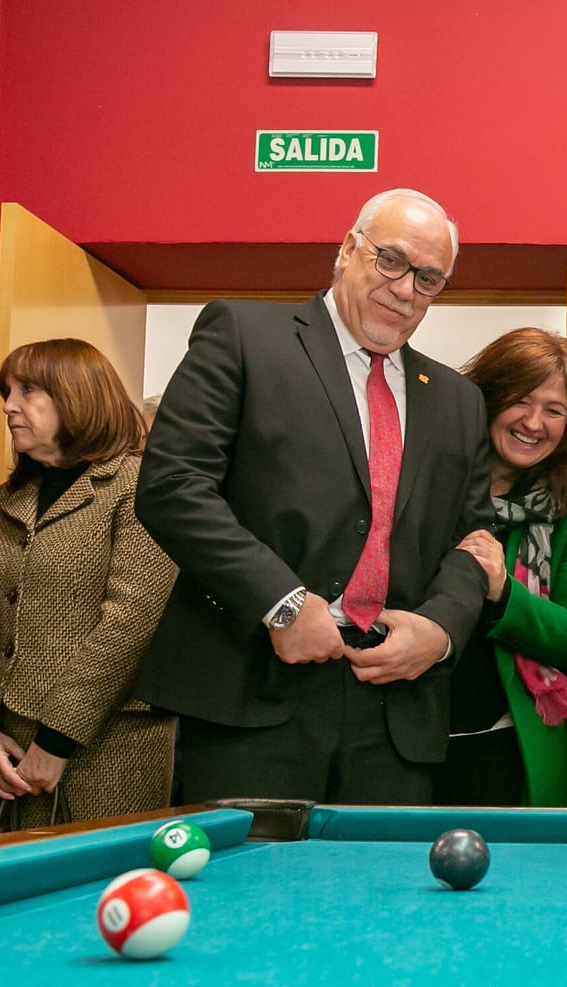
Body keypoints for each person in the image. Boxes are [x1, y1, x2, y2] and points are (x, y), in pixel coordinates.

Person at [134, 188, 494, 804]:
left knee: (386, 900)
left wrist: (439, 630)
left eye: (429, 278)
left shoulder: (459, 398)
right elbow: (172, 484)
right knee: (248, 895)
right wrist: (281, 603)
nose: (406, 290)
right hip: (252, 697)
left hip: (396, 713)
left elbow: (476, 536)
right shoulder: (245, 335)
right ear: (349, 249)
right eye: (391, 261)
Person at [0, 339, 176, 830]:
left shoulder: (141, 487)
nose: (8, 406)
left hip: (111, 747)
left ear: (77, 396)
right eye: (7, 391)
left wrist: (56, 740)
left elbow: (130, 624)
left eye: (28, 391)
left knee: (107, 897)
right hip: (7, 753)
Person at [433, 328, 567, 806]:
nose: (534, 423)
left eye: (554, 410)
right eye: (521, 402)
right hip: (403, 738)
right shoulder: (424, 485)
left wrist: (506, 595)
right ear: (487, 400)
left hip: (505, 744)